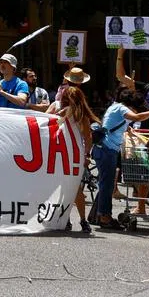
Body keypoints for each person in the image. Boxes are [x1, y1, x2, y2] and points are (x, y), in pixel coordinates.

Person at [93, 87, 149, 230]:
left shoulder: (115, 107)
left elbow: (116, 123)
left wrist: (127, 128)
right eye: (135, 108)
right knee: (106, 185)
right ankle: (104, 217)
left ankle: (100, 215)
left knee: (107, 184)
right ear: (131, 105)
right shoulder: (121, 108)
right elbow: (136, 118)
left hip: (106, 149)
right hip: (106, 150)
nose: (135, 111)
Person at [49, 85, 99, 233]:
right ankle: (82, 220)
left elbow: (47, 124)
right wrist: (87, 155)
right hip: (76, 154)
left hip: (62, 154)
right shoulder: (81, 115)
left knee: (63, 188)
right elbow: (88, 137)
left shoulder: (63, 112)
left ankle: (67, 220)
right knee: (76, 189)